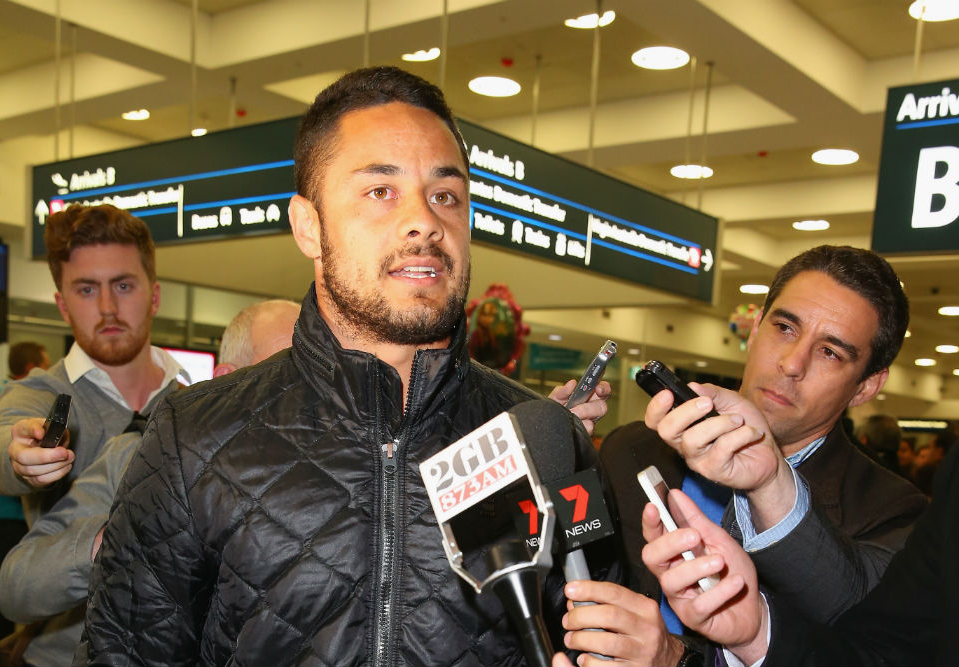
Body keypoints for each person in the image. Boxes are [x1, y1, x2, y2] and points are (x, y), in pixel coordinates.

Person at [78, 66, 614, 667]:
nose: (424, 221)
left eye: (445, 195)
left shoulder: (545, 438)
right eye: (380, 191)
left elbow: (608, 624)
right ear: (309, 226)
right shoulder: (192, 437)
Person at [588, 246, 926, 664]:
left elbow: (859, 633)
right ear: (756, 327)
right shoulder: (633, 449)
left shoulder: (895, 512)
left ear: (866, 387)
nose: (791, 364)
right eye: (784, 328)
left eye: (829, 352)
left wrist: (676, 659)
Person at [0, 299, 301, 667]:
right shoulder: (143, 456)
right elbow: (16, 585)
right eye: (281, 377)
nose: (301, 401)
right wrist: (116, 538)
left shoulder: (334, 480)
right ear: (225, 380)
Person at [638, 443, 959, 666]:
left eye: (829, 353)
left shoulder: (893, 501)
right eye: (786, 337)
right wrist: (756, 634)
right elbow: (891, 651)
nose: (792, 364)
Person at [0, 203, 187, 525]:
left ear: (155, 297)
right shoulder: (40, 393)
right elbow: (0, 449)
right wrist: (20, 456)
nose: (108, 307)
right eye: (87, 290)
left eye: (123, 286)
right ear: (63, 306)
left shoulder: (194, 400)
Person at [0, 341, 49, 667]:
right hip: (5, 509)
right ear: (32, 368)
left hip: (4, 508)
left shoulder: (1, 398)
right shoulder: (8, 400)